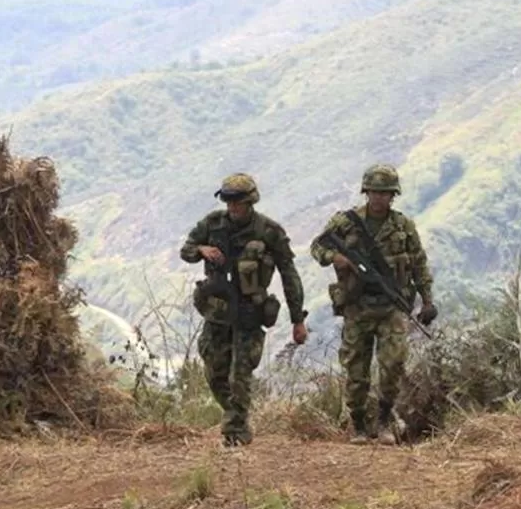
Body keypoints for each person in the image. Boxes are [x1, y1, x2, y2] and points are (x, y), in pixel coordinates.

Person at [310, 163, 437, 445]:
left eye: (386, 193)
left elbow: (419, 264)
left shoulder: (403, 226)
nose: (380, 198)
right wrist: (336, 258)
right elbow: (317, 247)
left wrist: (427, 300)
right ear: (366, 192)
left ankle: (383, 419)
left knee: (393, 364)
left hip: (391, 307)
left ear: (393, 196)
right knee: (356, 368)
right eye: (375, 192)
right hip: (357, 306)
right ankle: (357, 423)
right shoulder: (346, 222)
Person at [180, 173, 309, 447]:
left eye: (238, 202)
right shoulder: (212, 225)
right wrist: (202, 250)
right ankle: (236, 414)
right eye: (228, 202)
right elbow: (186, 250)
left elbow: (290, 275)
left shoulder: (269, 232)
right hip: (217, 311)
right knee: (215, 372)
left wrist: (297, 319)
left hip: (250, 311)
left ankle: (235, 432)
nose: (233, 207)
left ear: (250, 202)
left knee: (240, 373)